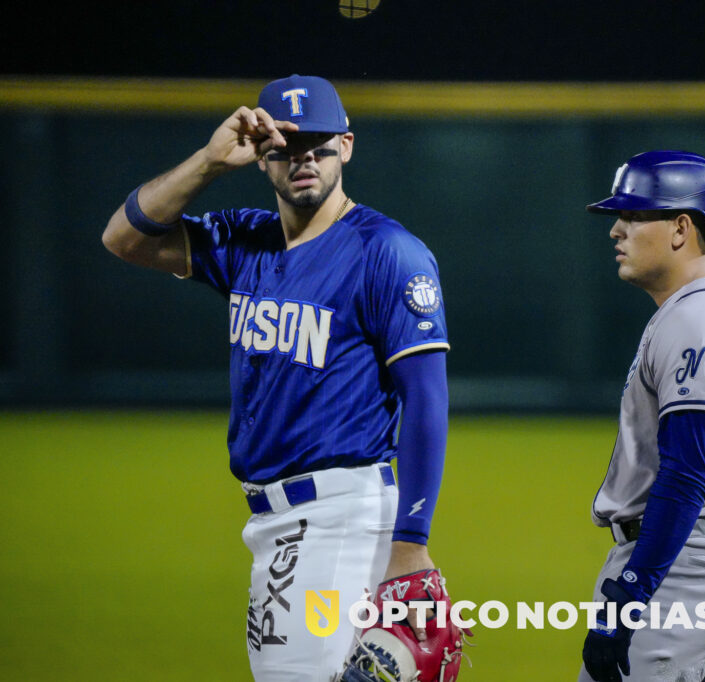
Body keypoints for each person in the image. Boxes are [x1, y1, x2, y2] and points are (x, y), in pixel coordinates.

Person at [102, 74, 453, 681]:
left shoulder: (388, 252)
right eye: (286, 147)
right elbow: (124, 238)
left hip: (341, 518)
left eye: (318, 144)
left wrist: (411, 543)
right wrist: (210, 161)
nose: (304, 159)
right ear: (262, 156)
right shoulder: (247, 241)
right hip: (277, 523)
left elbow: (425, 399)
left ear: (346, 146)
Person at [580, 151, 705, 682]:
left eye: (634, 215)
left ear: (681, 228)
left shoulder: (698, 317)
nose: (617, 230)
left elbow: (686, 473)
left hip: (687, 566)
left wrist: (632, 592)